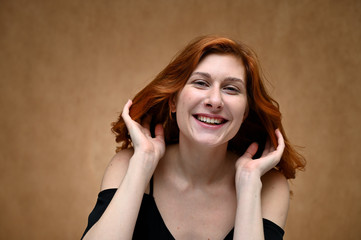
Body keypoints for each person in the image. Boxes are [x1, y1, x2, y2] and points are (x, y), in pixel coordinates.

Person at [81, 36, 305, 240]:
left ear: (245, 112)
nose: (215, 100)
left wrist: (248, 185)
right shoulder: (128, 164)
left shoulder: (268, 185)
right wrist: (142, 164)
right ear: (173, 101)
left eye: (231, 88)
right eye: (201, 83)